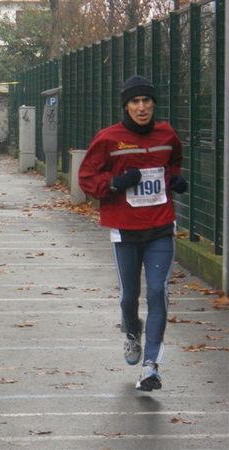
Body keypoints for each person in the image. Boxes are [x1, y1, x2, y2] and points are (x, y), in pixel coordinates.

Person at [78, 75, 187, 391]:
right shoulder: (109, 139)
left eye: (146, 101)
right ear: (126, 106)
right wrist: (114, 184)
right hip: (125, 229)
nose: (142, 107)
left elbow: (175, 159)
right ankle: (130, 331)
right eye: (135, 102)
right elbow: (86, 176)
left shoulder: (167, 134)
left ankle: (151, 366)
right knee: (130, 297)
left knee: (157, 293)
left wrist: (176, 179)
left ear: (154, 104)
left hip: (160, 228)